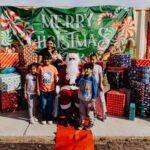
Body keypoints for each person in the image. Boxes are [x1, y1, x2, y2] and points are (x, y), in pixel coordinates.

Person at [57, 52, 81, 127]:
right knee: (65, 94)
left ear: (77, 60)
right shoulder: (63, 68)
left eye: (74, 59)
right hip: (66, 87)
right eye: (70, 59)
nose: (72, 60)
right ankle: (68, 118)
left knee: (78, 95)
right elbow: (59, 80)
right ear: (67, 59)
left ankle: (77, 117)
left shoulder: (80, 68)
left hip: (76, 87)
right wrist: (57, 88)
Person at [37, 55, 58, 125]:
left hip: (51, 90)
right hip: (42, 90)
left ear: (51, 60)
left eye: (48, 60)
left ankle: (49, 118)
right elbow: (37, 78)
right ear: (43, 60)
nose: (47, 61)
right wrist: (37, 89)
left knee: (50, 105)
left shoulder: (53, 68)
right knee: (43, 105)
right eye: (45, 60)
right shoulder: (40, 67)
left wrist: (56, 89)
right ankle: (44, 118)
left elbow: (55, 80)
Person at [76, 62, 97, 130]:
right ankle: (82, 123)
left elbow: (94, 90)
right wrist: (81, 75)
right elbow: (77, 82)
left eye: (88, 69)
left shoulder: (93, 79)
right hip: (82, 98)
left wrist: (93, 99)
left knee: (89, 112)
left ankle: (91, 123)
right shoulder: (82, 77)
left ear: (91, 70)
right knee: (81, 112)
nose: (86, 70)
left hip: (89, 100)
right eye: (85, 68)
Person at [90, 52, 107, 121]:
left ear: (96, 59)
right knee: (92, 100)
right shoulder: (89, 67)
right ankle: (94, 113)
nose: (92, 61)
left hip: (97, 85)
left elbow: (100, 76)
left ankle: (104, 113)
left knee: (101, 99)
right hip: (91, 86)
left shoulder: (98, 67)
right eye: (91, 59)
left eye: (93, 59)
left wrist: (100, 84)